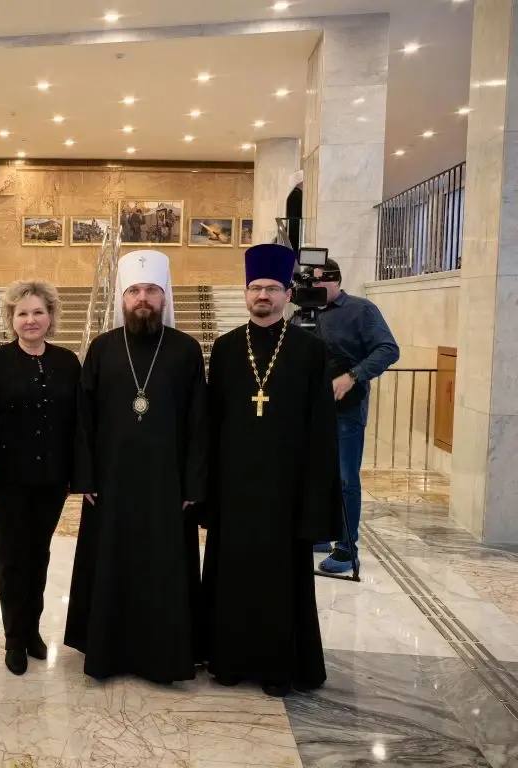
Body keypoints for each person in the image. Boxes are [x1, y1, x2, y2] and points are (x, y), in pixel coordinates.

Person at [201, 243, 342, 698]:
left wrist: (315, 496)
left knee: (281, 581)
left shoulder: (310, 350)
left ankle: (279, 667)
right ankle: (229, 661)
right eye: (256, 288)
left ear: (287, 295)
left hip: (286, 489)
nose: (263, 295)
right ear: (246, 293)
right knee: (231, 577)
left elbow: (321, 428)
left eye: (272, 288)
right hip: (234, 489)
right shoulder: (225, 348)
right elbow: (211, 423)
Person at [65, 249, 209, 683]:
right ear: (122, 298)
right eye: (133, 291)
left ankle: (162, 655)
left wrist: (193, 483)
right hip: (110, 484)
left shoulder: (186, 350)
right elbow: (83, 418)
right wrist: (85, 476)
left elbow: (199, 422)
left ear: (164, 297)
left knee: (162, 569)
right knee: (112, 565)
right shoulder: (102, 348)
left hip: (167, 485)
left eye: (151, 290)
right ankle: (108, 650)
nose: (142, 298)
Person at [0, 280, 81, 676]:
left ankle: (32, 630)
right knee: (12, 558)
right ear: (11, 319)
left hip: (52, 480)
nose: (30, 320)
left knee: (39, 555)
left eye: (38, 312)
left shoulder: (67, 362)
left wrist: (76, 473)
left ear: (50, 316)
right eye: (22, 313)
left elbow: (77, 423)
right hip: (8, 480)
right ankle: (14, 638)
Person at [313, 258, 400, 573]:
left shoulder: (361, 310)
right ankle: (321, 533)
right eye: (309, 282)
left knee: (345, 478)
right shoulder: (304, 314)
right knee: (318, 475)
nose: (313, 287)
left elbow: (388, 349)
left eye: (319, 281)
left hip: (347, 410)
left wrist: (353, 376)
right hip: (313, 411)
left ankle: (347, 549)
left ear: (335, 280)